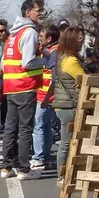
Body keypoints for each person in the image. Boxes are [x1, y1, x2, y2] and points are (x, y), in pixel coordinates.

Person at [1, 0, 45, 179]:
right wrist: (44, 60)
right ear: (28, 13)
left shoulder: (13, 34)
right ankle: (24, 169)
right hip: (25, 85)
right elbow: (28, 62)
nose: (41, 13)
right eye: (38, 11)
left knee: (10, 127)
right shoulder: (30, 32)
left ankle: (6, 167)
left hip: (10, 86)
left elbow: (4, 63)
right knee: (25, 128)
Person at [46, 25, 86, 183]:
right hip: (69, 106)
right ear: (72, 39)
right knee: (67, 142)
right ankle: (62, 176)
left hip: (62, 105)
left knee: (67, 142)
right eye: (80, 37)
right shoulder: (71, 60)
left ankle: (64, 174)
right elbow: (85, 79)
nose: (82, 40)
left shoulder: (61, 56)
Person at [31, 24, 61, 171]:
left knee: (38, 126)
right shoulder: (51, 51)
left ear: (49, 39)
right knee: (46, 126)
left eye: (41, 37)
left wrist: (46, 97)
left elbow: (52, 76)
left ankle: (38, 158)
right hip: (46, 94)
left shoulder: (54, 53)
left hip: (45, 95)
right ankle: (47, 157)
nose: (39, 39)